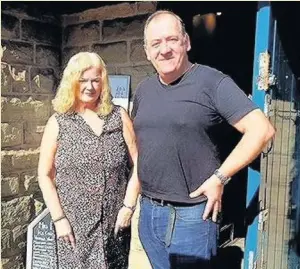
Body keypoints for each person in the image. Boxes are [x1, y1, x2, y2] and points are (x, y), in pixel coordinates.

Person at [131, 10, 275, 269]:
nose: (164, 49)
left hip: (194, 215)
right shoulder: (144, 90)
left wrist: (221, 177)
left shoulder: (212, 82)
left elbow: (261, 130)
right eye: (156, 43)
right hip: (150, 212)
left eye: (172, 40)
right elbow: (142, 148)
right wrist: (131, 203)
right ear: (146, 51)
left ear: (186, 41)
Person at [38, 52, 140, 269]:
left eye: (96, 80)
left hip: (114, 225)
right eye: (82, 80)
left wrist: (128, 207)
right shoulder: (58, 122)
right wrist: (59, 220)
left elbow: (138, 164)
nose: (90, 87)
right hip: (73, 230)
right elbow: (45, 175)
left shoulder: (118, 116)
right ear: (71, 83)